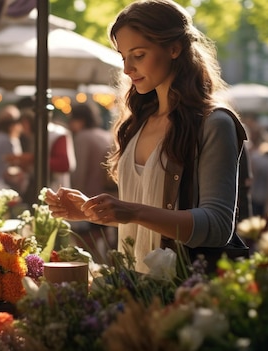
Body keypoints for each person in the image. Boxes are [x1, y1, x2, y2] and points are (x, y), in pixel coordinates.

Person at [45, 0, 248, 273]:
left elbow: (217, 226)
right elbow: (148, 216)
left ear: (174, 48)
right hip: (133, 290)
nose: (127, 69)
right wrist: (93, 211)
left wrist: (132, 211)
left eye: (138, 55)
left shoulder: (214, 123)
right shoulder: (137, 123)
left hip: (183, 297)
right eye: (123, 57)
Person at [68, 102, 117, 262]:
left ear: (79, 119)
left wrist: (74, 196)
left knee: (89, 248)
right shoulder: (105, 134)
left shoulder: (83, 137)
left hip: (89, 198)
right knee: (109, 245)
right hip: (110, 197)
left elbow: (80, 170)